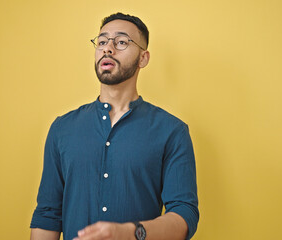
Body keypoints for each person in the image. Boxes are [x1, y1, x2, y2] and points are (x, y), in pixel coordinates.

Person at [30, 12, 199, 240]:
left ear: (143, 58)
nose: (107, 48)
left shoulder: (172, 131)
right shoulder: (62, 129)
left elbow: (184, 215)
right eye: (101, 42)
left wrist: (131, 232)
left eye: (121, 42)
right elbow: (48, 214)